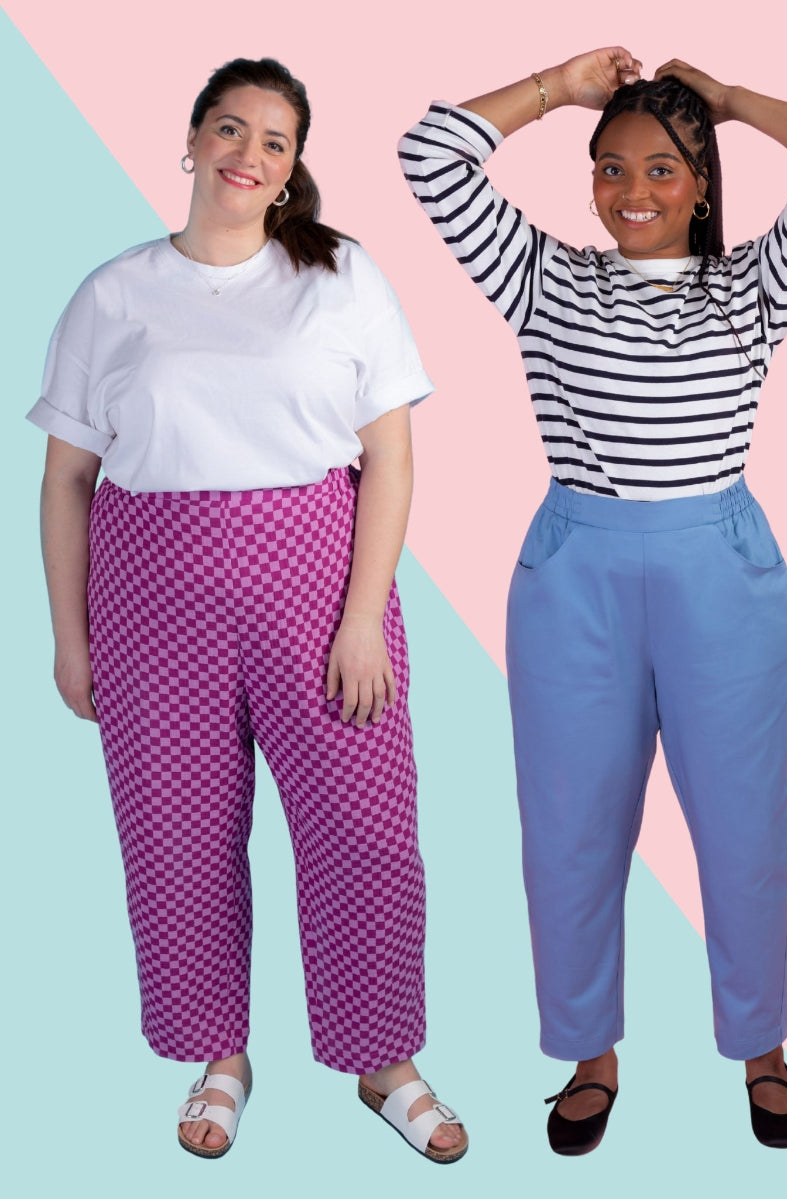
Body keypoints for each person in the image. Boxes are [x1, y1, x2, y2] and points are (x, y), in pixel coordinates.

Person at [399, 48, 787, 1154]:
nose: (634, 194)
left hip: (723, 569)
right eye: (610, 170)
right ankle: (589, 1052)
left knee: (748, 823)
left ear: (702, 181)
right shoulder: (545, 277)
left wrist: (727, 101)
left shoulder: (754, 283)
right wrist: (556, 89)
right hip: (579, 574)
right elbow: (430, 152)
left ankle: (760, 1041)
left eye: (663, 168)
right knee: (569, 828)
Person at [30, 56, 466, 1164]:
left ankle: (386, 1060)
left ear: (290, 170)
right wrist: (70, 637)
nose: (248, 152)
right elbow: (66, 479)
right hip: (149, 604)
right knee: (175, 837)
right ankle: (217, 1053)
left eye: (273, 141)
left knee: (364, 832)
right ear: (191, 140)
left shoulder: (341, 276)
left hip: (321, 592)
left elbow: (393, 457)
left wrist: (364, 613)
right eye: (230, 128)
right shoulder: (113, 293)